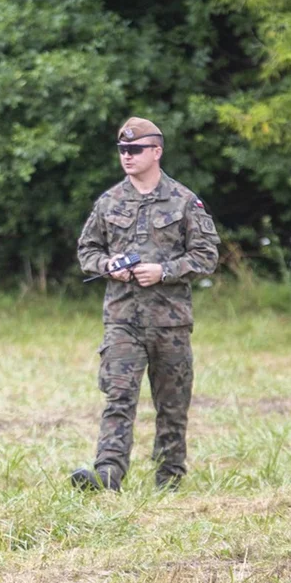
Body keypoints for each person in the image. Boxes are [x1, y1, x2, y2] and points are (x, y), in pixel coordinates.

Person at [71, 117, 220, 493]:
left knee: (172, 404)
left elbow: (206, 255)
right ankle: (108, 473)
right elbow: (87, 250)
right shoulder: (109, 202)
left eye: (135, 149)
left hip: (170, 321)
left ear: (156, 151)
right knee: (118, 397)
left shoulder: (185, 201)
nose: (127, 156)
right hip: (122, 319)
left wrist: (164, 271)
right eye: (123, 150)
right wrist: (108, 266)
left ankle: (170, 476)